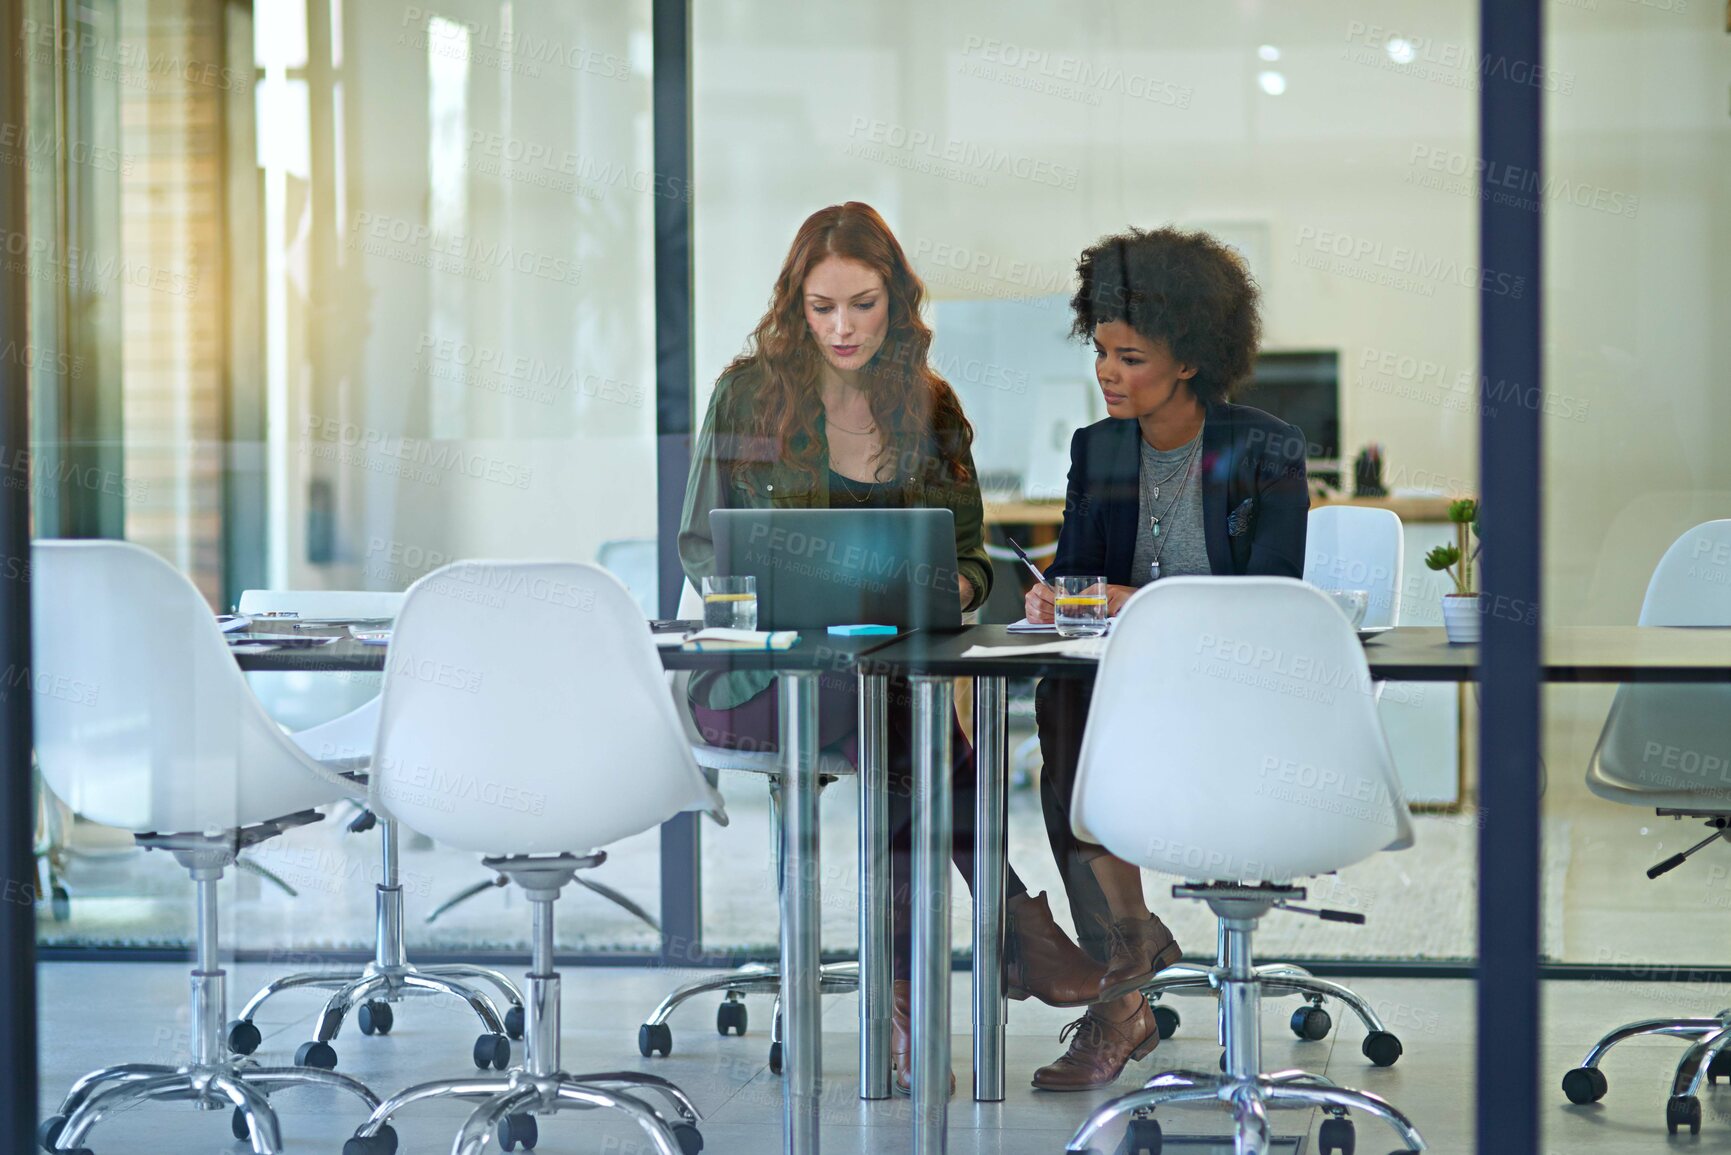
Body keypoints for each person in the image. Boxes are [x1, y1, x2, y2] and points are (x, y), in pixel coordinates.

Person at [678, 201, 1104, 1095]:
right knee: (906, 723)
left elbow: (968, 554)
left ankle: (911, 1003)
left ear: (896, 302)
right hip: (764, 678)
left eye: (862, 305)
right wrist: (758, 605)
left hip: (889, 684)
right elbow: (702, 546)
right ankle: (1004, 928)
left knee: (899, 719)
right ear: (794, 304)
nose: (841, 328)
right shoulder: (747, 395)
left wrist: (954, 588)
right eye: (821, 305)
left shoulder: (929, 406)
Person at [1024, 226, 1309, 1091]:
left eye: (1131, 356)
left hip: (1233, 695)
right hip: (1126, 690)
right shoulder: (1097, 448)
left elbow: (1269, 598)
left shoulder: (1265, 450)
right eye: (1101, 351)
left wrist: (1129, 600)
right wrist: (1052, 597)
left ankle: (1122, 987)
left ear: (1189, 360)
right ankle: (1130, 954)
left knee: (1078, 724)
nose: (1107, 372)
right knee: (1058, 706)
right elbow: (1079, 574)